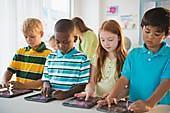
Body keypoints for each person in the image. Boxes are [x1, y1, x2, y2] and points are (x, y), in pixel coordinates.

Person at [99, 7, 170, 113]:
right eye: (147, 31)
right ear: (142, 28)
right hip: (133, 106)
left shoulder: (168, 55)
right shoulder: (133, 54)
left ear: (166, 34)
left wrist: (149, 104)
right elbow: (124, 79)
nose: (150, 37)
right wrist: (111, 96)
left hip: (160, 107)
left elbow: (166, 82)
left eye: (157, 34)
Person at [74, 20, 127, 100]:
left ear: (119, 38)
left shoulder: (127, 59)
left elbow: (128, 88)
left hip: (115, 101)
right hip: (97, 99)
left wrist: (113, 96)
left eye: (110, 39)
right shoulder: (97, 57)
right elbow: (91, 82)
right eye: (102, 40)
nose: (106, 44)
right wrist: (88, 91)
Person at [41, 19, 90, 100]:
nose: (61, 45)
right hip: (51, 99)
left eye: (66, 42)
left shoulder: (82, 59)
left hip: (70, 100)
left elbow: (82, 85)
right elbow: (46, 79)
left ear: (75, 39)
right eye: (58, 42)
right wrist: (46, 86)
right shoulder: (50, 57)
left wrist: (66, 94)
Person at [1, 18, 52, 89]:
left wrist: (24, 86)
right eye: (26, 37)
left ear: (41, 34)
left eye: (32, 37)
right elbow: (9, 71)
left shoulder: (49, 55)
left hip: (35, 94)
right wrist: (4, 81)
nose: (28, 40)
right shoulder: (20, 52)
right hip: (19, 92)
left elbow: (45, 80)